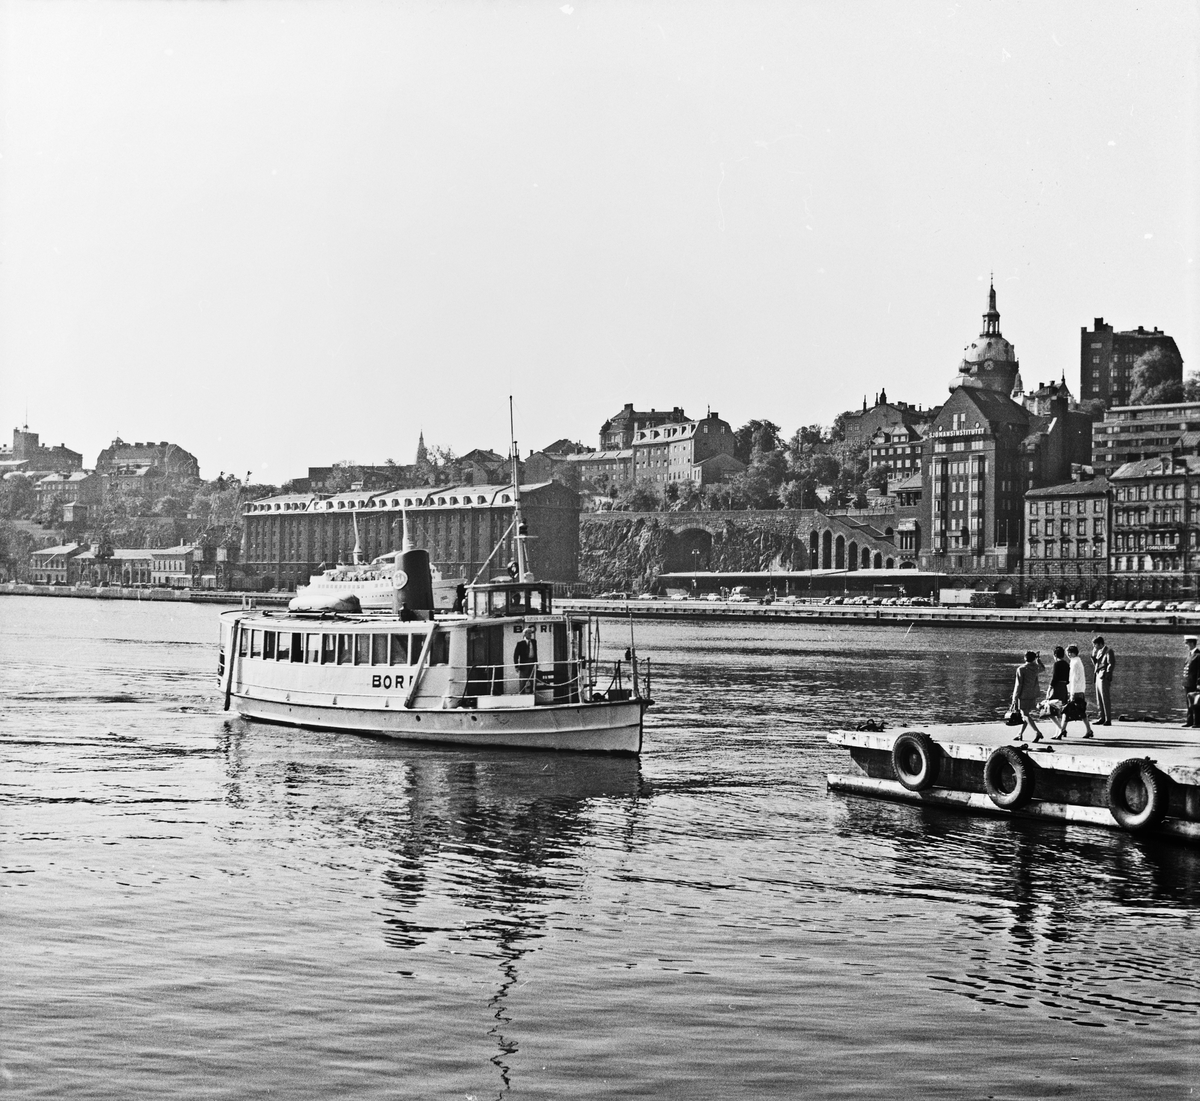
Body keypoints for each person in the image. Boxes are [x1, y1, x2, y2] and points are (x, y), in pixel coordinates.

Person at [1057, 644, 1095, 739]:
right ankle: (1087, 730)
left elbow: (1074, 679)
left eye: (1068, 653)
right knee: (1078, 711)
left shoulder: (1074, 663)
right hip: (1079, 690)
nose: (1067, 655)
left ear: (1072, 653)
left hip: (1076, 691)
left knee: (1070, 710)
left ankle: (1062, 731)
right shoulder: (1077, 661)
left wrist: (1071, 692)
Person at [1010, 651, 1047, 742]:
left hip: (1023, 695)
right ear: (1034, 659)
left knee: (1025, 715)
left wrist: (1014, 698)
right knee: (1026, 715)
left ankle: (1037, 732)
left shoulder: (1021, 669)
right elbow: (1043, 668)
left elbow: (1018, 685)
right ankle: (1020, 734)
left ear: (1025, 658)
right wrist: (1038, 660)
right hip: (1032, 694)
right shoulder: (1036, 667)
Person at [1092, 635, 1115, 725]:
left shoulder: (1108, 651)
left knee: (1105, 698)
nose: (1094, 647)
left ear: (1100, 644)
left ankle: (1108, 719)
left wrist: (1107, 674)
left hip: (1103, 676)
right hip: (1098, 676)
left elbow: (1111, 663)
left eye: (1095, 645)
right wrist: (1093, 655)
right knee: (1099, 698)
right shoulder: (1098, 652)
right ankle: (1101, 717)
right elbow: (1096, 664)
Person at [514, 626, 538, 694]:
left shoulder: (534, 642)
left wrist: (536, 663)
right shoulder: (520, 643)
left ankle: (532, 693)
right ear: (524, 634)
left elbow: (535, 653)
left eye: (531, 633)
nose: (530, 635)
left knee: (533, 680)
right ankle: (522, 694)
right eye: (529, 633)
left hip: (532, 662)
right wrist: (516, 666)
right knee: (523, 680)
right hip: (524, 664)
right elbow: (516, 655)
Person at [1182, 635, 1200, 727]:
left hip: (1195, 684)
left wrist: (1199, 684)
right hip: (1188, 683)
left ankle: (1197, 722)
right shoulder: (1190, 654)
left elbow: (1199, 671)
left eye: (1187, 643)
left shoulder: (1198, 655)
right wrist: (1184, 682)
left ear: (1192, 643)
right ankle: (1189, 721)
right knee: (1188, 703)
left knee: (1196, 703)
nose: (1186, 645)